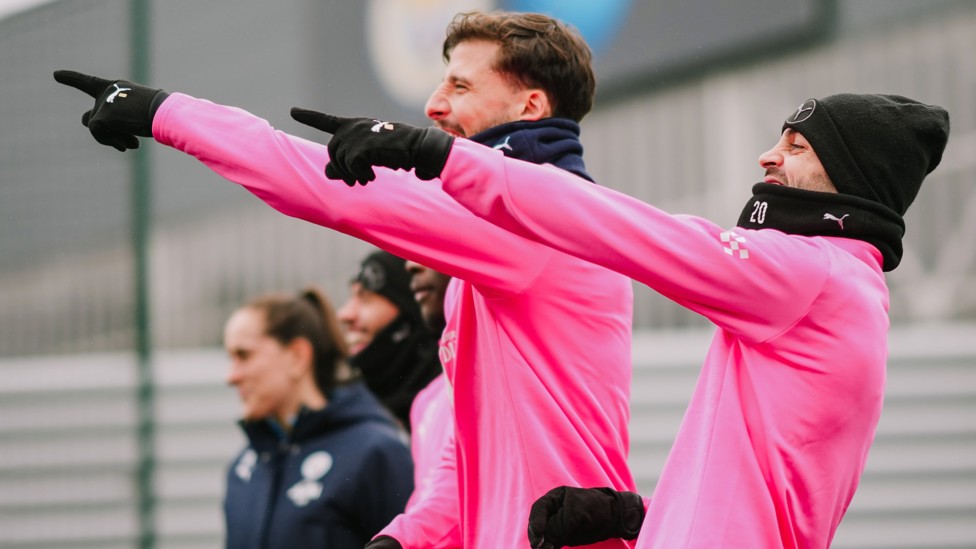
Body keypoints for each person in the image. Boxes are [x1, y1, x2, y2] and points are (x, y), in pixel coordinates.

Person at [54, 10, 639, 549]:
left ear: (531, 107)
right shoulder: (499, 242)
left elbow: (324, 189)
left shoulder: (534, 221)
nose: (434, 104)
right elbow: (470, 455)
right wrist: (405, 538)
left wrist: (164, 113)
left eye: (460, 86)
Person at [297, 93, 950, 548]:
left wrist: (443, 157)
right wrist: (638, 517)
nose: (766, 157)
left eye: (797, 144)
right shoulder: (847, 290)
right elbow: (759, 492)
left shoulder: (812, 274)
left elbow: (625, 229)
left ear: (852, 177)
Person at [221, 286, 413, 548]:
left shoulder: (376, 452)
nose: (231, 376)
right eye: (230, 358)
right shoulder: (244, 466)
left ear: (298, 356)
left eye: (244, 355)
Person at [339, 249, 441, 431]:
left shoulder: (452, 399)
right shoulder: (344, 411)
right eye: (351, 297)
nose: (345, 314)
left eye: (365, 298)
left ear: (408, 309)